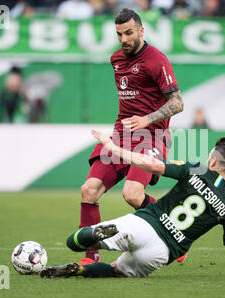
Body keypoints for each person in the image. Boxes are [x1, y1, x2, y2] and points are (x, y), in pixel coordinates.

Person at [40, 129, 225, 279]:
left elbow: (153, 165)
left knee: (74, 242)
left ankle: (98, 234)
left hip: (146, 223)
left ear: (213, 160)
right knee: (116, 270)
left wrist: (114, 148)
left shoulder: (196, 169)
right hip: (162, 252)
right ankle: (80, 270)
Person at [77, 8, 184, 265]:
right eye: (119, 34)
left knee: (132, 194)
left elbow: (178, 103)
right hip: (121, 136)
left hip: (152, 136)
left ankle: (174, 234)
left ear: (141, 31)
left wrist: (146, 119)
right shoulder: (116, 59)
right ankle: (91, 257)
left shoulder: (156, 59)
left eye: (129, 33)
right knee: (89, 190)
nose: (124, 39)